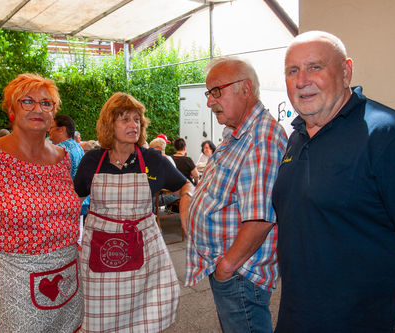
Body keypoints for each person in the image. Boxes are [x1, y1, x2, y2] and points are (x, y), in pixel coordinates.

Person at [272, 31, 395, 333]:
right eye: (293, 70)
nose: (302, 80)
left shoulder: (392, 138)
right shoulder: (297, 137)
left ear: (345, 72)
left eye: (315, 67)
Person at [0, 73, 83, 332]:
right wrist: (1, 252)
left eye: (46, 103)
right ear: (11, 109)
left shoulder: (64, 157)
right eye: (27, 101)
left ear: (53, 114)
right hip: (14, 275)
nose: (37, 109)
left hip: (65, 271)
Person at [74, 92, 193, 332]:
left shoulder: (152, 159)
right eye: (125, 119)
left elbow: (185, 184)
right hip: (99, 253)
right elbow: (75, 201)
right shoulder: (92, 160)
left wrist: (186, 203)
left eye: (137, 119)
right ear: (110, 124)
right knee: (99, 318)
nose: (133, 125)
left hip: (144, 251)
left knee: (144, 319)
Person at [185, 57, 287, 333]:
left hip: (240, 272)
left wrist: (226, 267)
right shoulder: (238, 133)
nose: (209, 101)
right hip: (232, 268)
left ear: (245, 88)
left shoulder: (260, 138)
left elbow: (260, 220)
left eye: (216, 91)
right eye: (209, 93)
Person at [48, 114, 84, 179]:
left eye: (51, 127)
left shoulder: (59, 150)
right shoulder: (79, 147)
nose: (48, 130)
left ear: (62, 130)